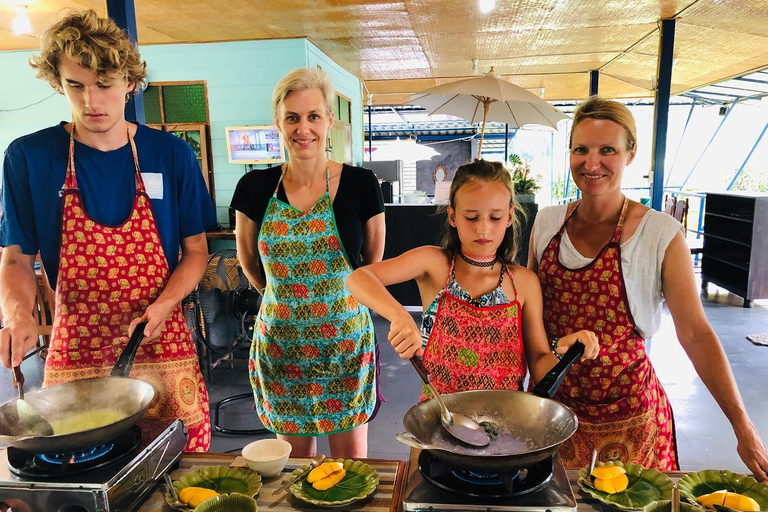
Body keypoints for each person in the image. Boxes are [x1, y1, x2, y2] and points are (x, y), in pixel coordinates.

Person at [0, 10, 216, 452]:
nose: (91, 101)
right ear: (58, 82)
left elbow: (195, 251)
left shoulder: (171, 155)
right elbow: (17, 258)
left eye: (104, 84)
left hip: (161, 336)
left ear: (130, 82)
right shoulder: (29, 157)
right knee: (76, 459)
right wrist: (17, 315)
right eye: (75, 85)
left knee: (181, 461)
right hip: (78, 345)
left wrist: (166, 303)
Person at [528, 97, 768, 479]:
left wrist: (742, 425)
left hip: (632, 420)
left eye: (607, 150)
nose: (591, 164)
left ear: (631, 153)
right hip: (554, 412)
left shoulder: (660, 234)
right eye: (581, 149)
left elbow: (695, 333)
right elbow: (528, 316)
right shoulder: (546, 223)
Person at [346, 159, 599, 404]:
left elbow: (540, 366)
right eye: (471, 217)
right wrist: (399, 315)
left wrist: (564, 351)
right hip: (439, 419)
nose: (483, 229)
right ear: (453, 216)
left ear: (510, 216)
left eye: (495, 217)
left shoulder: (524, 282)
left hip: (505, 427)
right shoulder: (434, 264)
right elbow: (359, 277)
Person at [231, 67, 385, 458]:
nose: (304, 129)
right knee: (294, 475)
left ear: (330, 120)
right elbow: (248, 261)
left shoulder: (361, 184)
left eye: (314, 116)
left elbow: (372, 264)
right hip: (282, 349)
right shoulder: (254, 188)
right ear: (278, 122)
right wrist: (283, 302)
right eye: (293, 117)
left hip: (344, 347)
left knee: (350, 473)